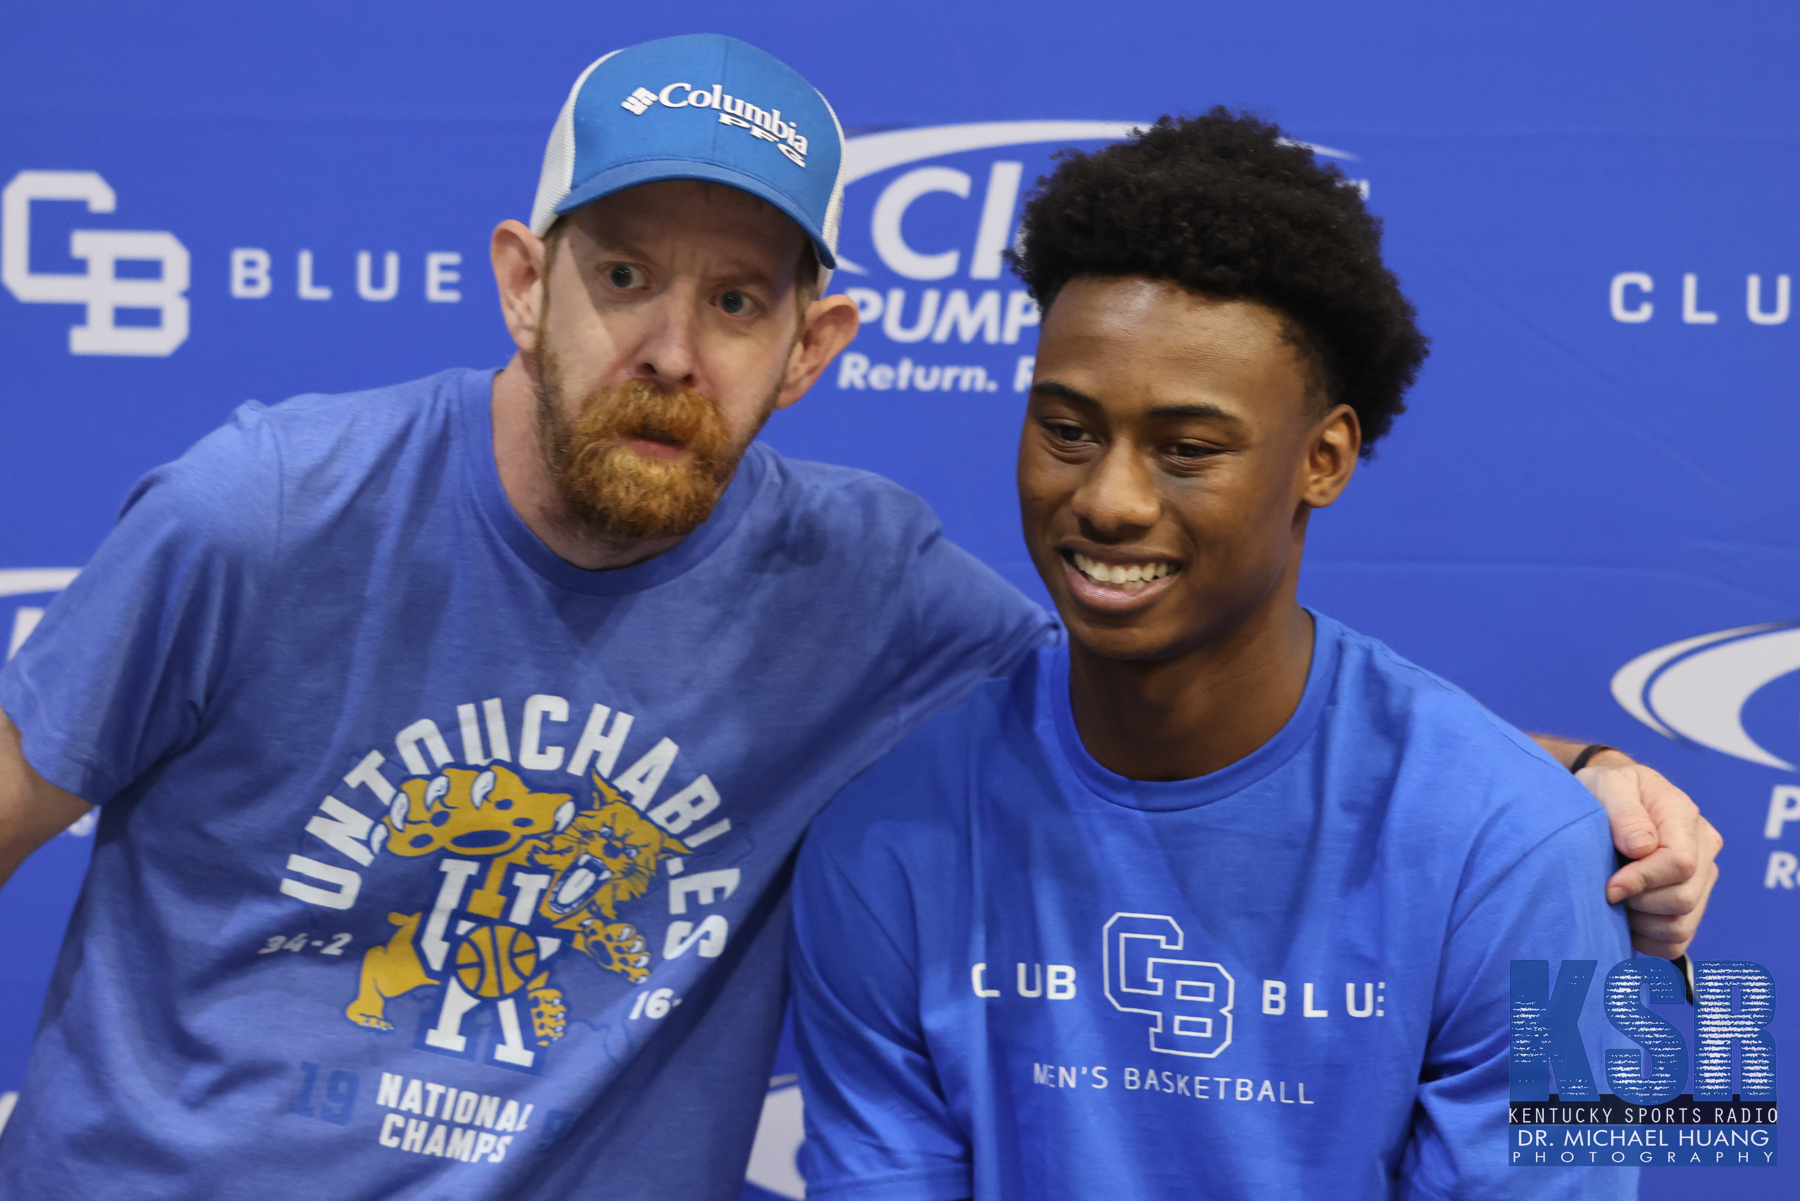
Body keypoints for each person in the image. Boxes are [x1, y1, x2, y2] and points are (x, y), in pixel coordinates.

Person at [0, 36, 1711, 1201]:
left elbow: (1654, 1139)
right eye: (620, 276)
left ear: (813, 343)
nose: (1112, 501)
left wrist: (1591, 777)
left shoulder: (1537, 848)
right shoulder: (895, 822)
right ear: (526, 279)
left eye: (737, 297)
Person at [788, 111, 1648, 1200]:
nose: (1108, 499)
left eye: (1188, 449)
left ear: (1323, 457)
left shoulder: (1538, 848)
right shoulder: (881, 839)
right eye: (1066, 430)